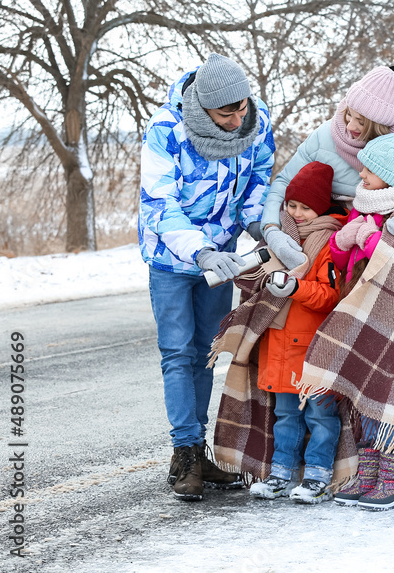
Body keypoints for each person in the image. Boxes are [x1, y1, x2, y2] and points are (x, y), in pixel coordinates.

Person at [139, 53, 275, 501]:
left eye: (242, 108)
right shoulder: (166, 131)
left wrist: (258, 225)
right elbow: (159, 203)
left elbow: (258, 179)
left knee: (204, 354)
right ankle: (185, 454)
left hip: (223, 261)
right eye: (226, 113)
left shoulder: (256, 122)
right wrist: (198, 250)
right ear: (202, 108)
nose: (238, 119)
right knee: (177, 354)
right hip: (174, 258)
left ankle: (199, 453)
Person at [296, 123, 394, 511]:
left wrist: (368, 239)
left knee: (390, 388)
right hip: (360, 309)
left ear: (392, 176)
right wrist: (343, 243)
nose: (359, 175)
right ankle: (368, 473)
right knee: (363, 391)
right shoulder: (366, 207)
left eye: (368, 170)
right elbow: (346, 264)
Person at [259, 66, 394, 271]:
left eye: (361, 122)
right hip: (329, 236)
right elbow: (284, 182)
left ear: (381, 126)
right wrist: (271, 229)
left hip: (387, 235)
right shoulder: (324, 137)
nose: (349, 127)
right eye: (349, 114)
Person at [244, 162, 349, 505]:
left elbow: (330, 296)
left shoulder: (329, 244)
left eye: (306, 207)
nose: (297, 213)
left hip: (313, 349)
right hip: (279, 346)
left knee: (320, 414)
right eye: (292, 205)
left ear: (322, 207)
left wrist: (293, 288)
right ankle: (280, 474)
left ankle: (317, 476)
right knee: (285, 415)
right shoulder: (278, 238)